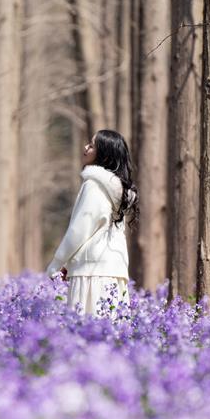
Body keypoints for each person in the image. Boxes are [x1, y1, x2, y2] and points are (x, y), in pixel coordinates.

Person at [45, 129, 139, 316]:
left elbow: (80, 229)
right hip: (114, 273)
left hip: (91, 274)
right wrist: (68, 265)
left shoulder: (94, 186)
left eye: (92, 145)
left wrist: (57, 263)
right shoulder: (118, 190)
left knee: (87, 327)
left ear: (104, 154)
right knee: (113, 329)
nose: (86, 147)